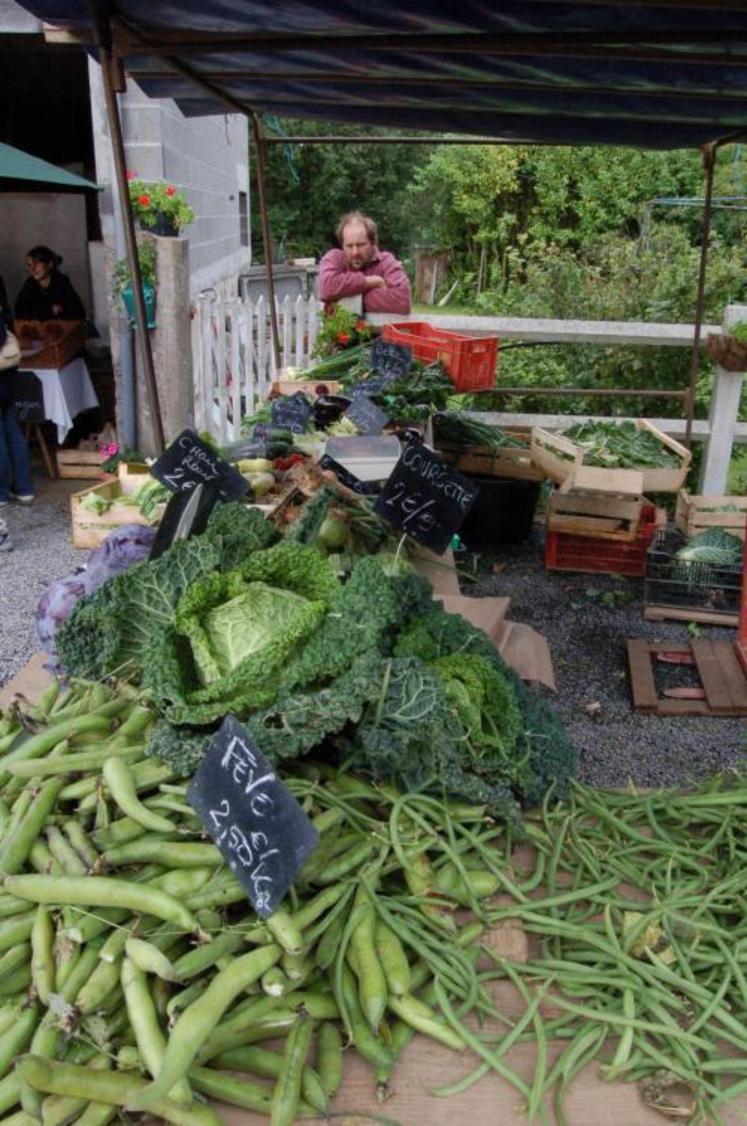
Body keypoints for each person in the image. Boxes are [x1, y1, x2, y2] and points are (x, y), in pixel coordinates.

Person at [318, 212, 411, 314]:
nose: (355, 252)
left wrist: (343, 299)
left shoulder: (386, 262)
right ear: (342, 245)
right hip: (338, 330)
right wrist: (372, 282)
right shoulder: (334, 258)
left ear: (372, 243)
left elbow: (402, 302)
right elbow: (326, 287)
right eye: (349, 246)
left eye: (361, 245)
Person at [0, 274, 34, 521]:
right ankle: (24, 488)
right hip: (7, 378)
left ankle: (0, 493)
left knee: (3, 436)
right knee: (12, 431)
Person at [14, 246, 86, 322]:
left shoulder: (61, 283)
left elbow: (78, 313)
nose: (32, 269)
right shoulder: (29, 284)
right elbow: (19, 311)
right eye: (29, 265)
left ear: (49, 264)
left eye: (36, 263)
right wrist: (49, 310)